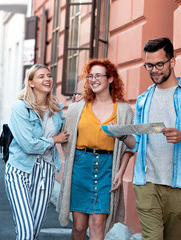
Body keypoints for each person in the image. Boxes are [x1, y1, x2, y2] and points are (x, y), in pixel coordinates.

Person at [117, 37, 181, 239]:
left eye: (159, 64)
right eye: (149, 65)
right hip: (146, 183)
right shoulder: (143, 100)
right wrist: (123, 134)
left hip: (179, 185)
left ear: (172, 62)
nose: (154, 70)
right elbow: (137, 143)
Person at [57, 59, 134, 240]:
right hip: (80, 166)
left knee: (99, 225)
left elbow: (130, 147)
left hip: (108, 168)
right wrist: (74, 161)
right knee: (78, 227)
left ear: (110, 79)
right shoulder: (77, 108)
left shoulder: (123, 110)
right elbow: (66, 139)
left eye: (99, 75)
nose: (94, 79)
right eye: (90, 76)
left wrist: (120, 172)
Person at [4, 64, 69, 240]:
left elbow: (66, 130)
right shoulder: (20, 108)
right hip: (20, 170)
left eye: (49, 75)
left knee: (34, 229)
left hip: (46, 171)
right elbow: (29, 146)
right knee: (25, 230)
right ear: (31, 82)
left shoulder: (55, 108)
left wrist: (76, 106)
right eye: (41, 76)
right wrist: (55, 140)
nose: (47, 79)